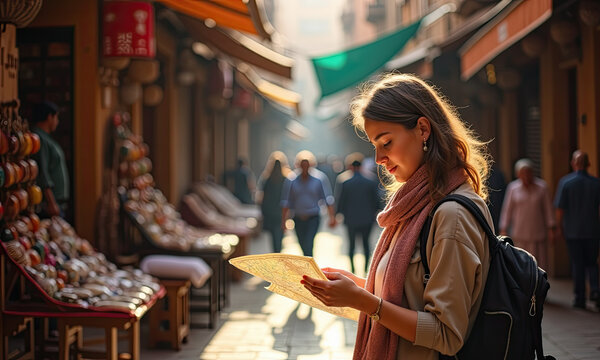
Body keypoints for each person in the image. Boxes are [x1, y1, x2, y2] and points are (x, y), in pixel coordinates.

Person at [301, 74, 493, 359]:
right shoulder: (415, 205)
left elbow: (447, 334)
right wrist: (358, 288)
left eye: (386, 142)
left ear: (423, 130)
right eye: (374, 146)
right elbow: (409, 297)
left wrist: (366, 302)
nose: (378, 158)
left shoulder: (451, 215)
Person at [554, 150, 600, 309]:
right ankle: (595, 290)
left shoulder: (566, 183)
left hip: (573, 232)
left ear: (573, 163)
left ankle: (579, 298)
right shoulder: (596, 183)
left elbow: (560, 209)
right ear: (588, 164)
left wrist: (559, 228)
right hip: (592, 230)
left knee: (577, 264)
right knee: (592, 263)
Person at [499, 158, 555, 270]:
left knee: (539, 265)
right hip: (519, 233)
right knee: (521, 264)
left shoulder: (542, 187)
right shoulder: (513, 188)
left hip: (538, 232)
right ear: (518, 175)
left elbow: (548, 209)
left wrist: (551, 228)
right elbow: (507, 209)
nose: (525, 176)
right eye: (522, 173)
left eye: (528, 173)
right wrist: (503, 228)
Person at [281, 150, 336, 257]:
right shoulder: (292, 179)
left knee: (309, 243)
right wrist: (284, 221)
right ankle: (308, 262)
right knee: (302, 244)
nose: (305, 167)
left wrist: (332, 217)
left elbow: (327, 199)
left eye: (307, 164)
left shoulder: (319, 179)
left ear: (311, 164)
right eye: (302, 165)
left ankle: (310, 265)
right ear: (298, 165)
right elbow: (286, 201)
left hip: (313, 218)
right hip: (298, 217)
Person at [335, 153, 381, 274]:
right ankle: (366, 269)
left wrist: (336, 215)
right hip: (367, 218)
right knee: (366, 244)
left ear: (350, 166)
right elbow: (377, 201)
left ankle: (353, 269)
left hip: (350, 219)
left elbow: (340, 201)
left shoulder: (345, 182)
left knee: (351, 245)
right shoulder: (371, 181)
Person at [30, 100, 69, 218]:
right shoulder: (39, 138)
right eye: (56, 117)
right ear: (49, 117)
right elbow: (43, 173)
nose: (57, 122)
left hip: (57, 202)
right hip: (50, 204)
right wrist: (51, 202)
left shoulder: (46, 138)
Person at [256, 151, 294, 253]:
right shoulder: (286, 179)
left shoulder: (267, 178)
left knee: (274, 236)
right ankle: (278, 252)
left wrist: (262, 211)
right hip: (281, 212)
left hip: (270, 212)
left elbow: (261, 196)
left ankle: (276, 253)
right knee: (279, 235)